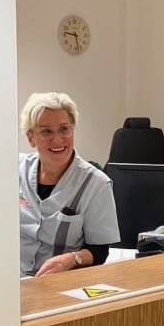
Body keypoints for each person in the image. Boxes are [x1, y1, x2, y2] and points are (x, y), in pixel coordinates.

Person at [18, 92, 119, 277]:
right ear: (30, 137)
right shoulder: (13, 172)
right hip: (7, 284)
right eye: (46, 131)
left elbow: (99, 251)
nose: (57, 139)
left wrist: (73, 259)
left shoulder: (96, 184)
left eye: (64, 129)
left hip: (59, 282)